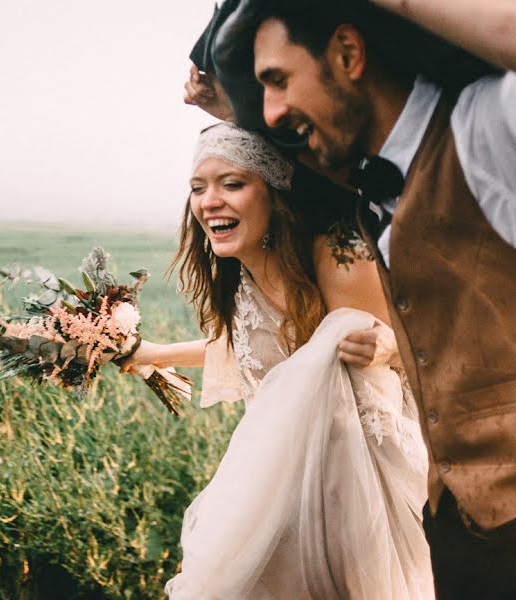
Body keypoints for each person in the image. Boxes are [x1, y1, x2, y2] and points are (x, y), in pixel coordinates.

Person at [190, 0, 516, 598]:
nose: (274, 111)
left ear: (348, 53)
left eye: (278, 81)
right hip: (458, 527)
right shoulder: (381, 175)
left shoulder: (495, 139)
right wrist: (229, 109)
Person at [122, 122, 435, 599]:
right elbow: (257, 346)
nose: (209, 201)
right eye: (198, 188)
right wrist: (151, 354)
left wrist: (389, 346)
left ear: (273, 192)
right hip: (287, 486)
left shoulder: (335, 255)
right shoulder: (241, 279)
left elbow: (403, 344)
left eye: (233, 183)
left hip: (364, 491)